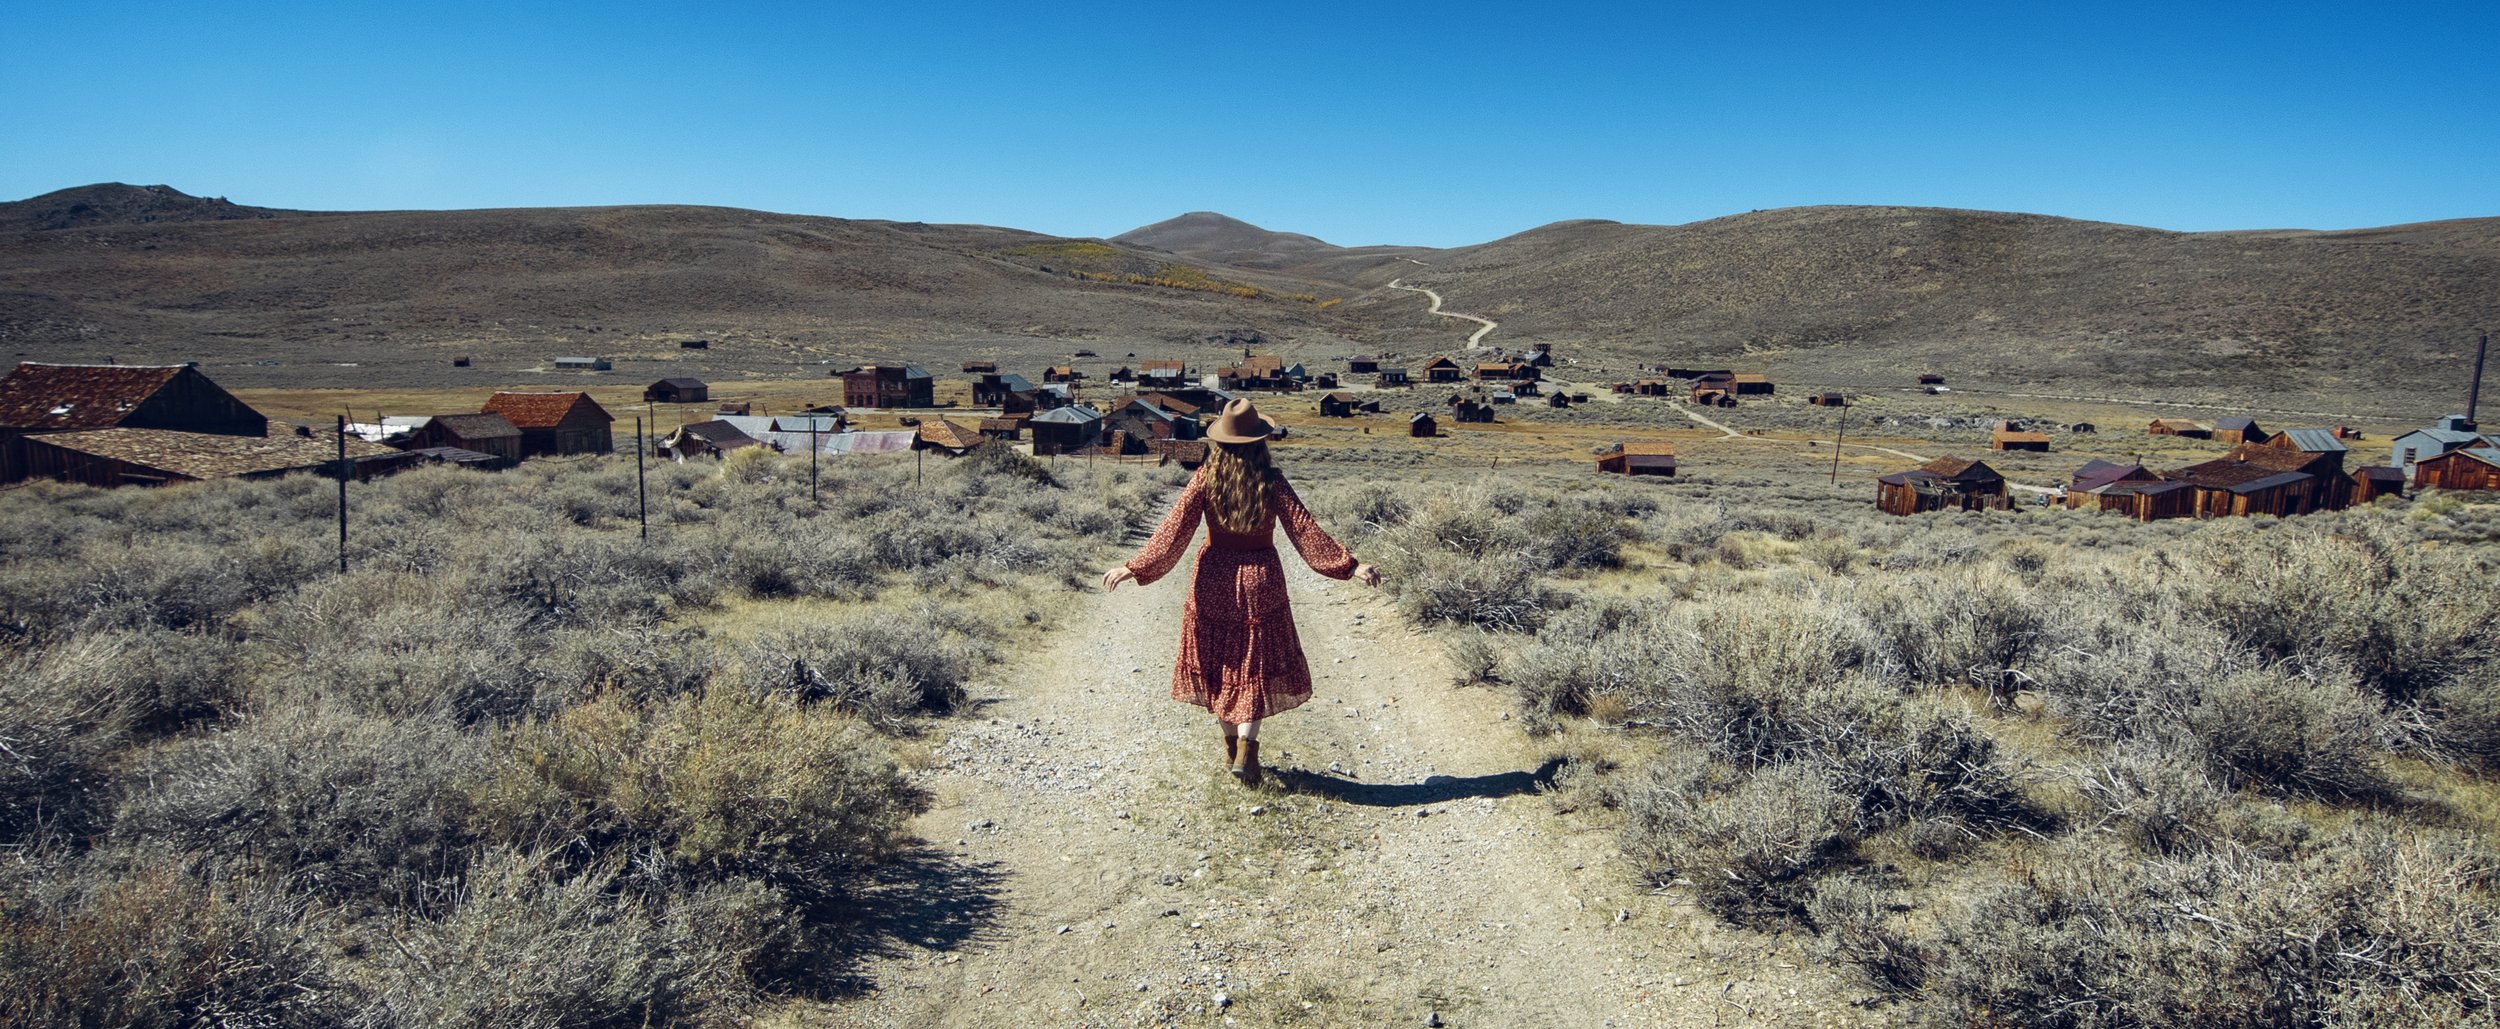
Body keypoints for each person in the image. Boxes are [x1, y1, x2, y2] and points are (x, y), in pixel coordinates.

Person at [1102, 398, 1381, 786]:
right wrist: (1350, 566)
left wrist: (1135, 567)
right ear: (1260, 441)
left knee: (1220, 664)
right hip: (1261, 577)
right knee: (1254, 665)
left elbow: (1174, 530)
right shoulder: (1272, 479)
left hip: (1214, 575)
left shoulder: (1205, 477)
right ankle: (1248, 750)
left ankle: (1232, 747)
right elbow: (1305, 530)